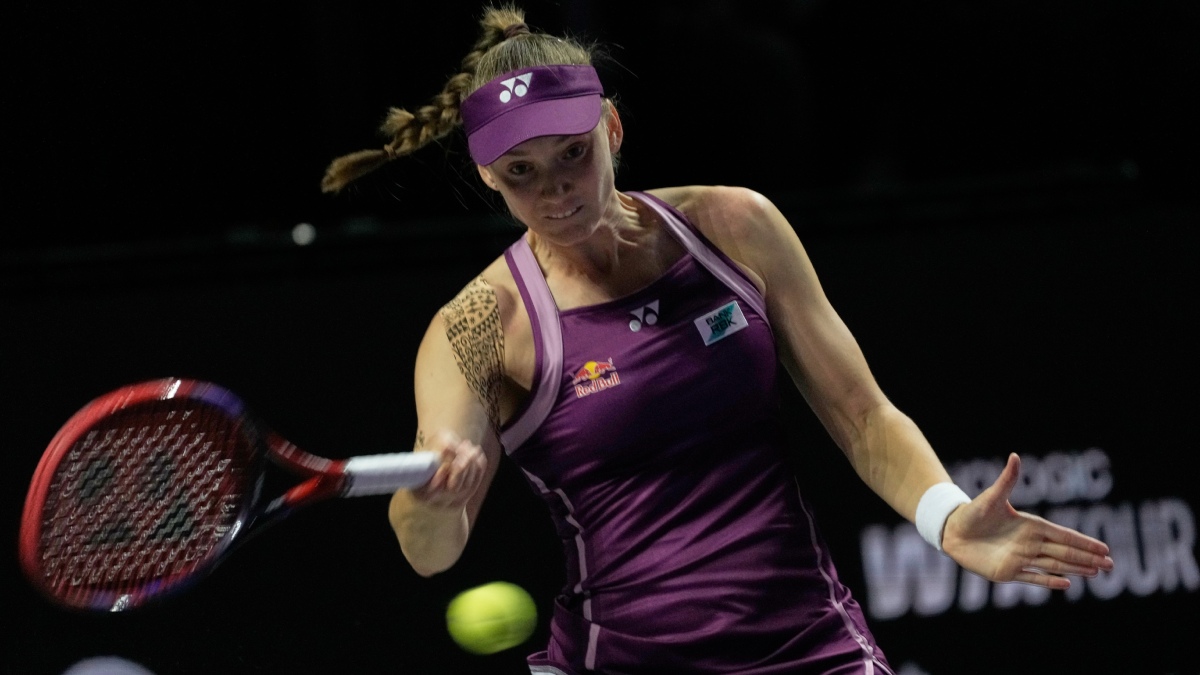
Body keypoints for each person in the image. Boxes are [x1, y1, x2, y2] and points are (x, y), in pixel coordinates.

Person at [320, 5, 1115, 673]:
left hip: (810, 643)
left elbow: (864, 417)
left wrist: (946, 516)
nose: (556, 188)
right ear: (487, 175)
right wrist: (431, 500)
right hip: (619, 660)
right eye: (521, 171)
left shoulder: (735, 225)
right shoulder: (475, 325)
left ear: (612, 128)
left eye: (573, 153)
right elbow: (429, 550)